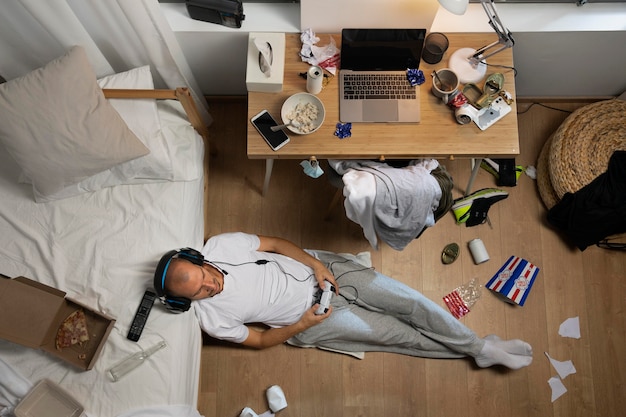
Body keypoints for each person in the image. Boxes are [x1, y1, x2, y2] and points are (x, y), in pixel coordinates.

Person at [156, 232, 533, 369]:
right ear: (185, 302)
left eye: (205, 275)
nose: (211, 284)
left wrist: (315, 262)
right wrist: (301, 326)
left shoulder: (220, 246)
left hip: (327, 271)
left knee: (411, 303)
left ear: (197, 258)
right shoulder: (210, 319)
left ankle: (480, 349)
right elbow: (256, 341)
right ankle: (479, 349)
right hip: (314, 317)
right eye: (200, 291)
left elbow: (273, 244)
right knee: (399, 336)